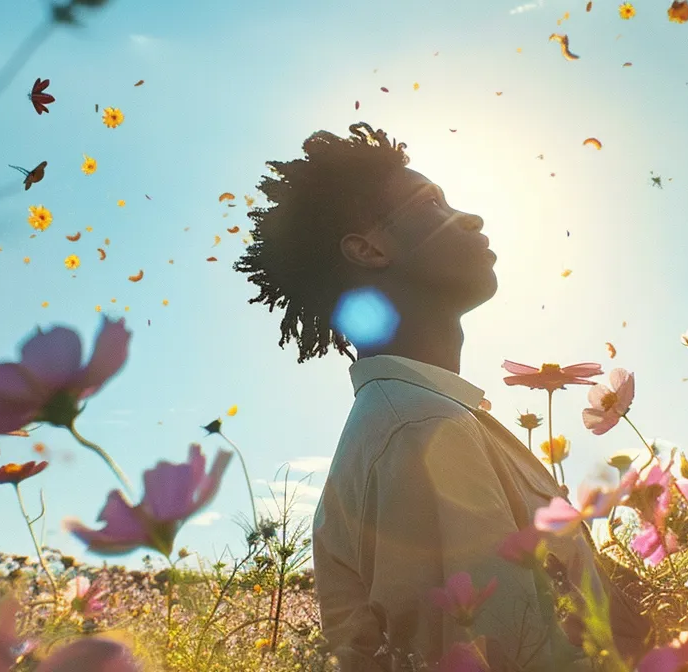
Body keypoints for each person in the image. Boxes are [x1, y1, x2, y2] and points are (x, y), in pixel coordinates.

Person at [233, 123, 652, 671]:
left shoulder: (433, 417)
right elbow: (509, 654)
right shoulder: (421, 430)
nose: (471, 217)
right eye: (432, 202)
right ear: (370, 248)